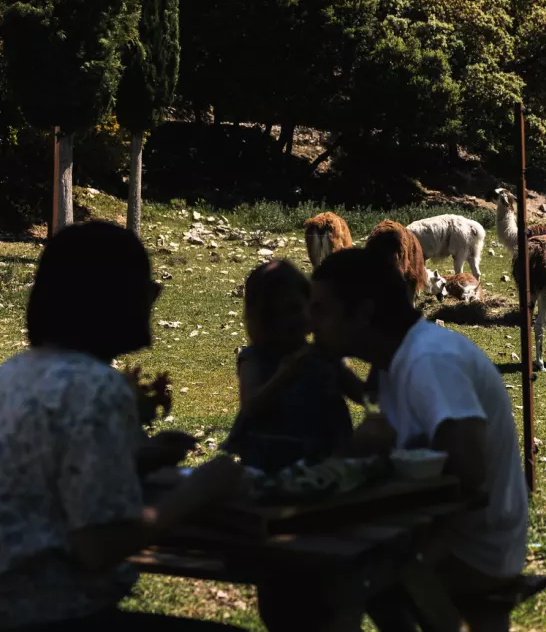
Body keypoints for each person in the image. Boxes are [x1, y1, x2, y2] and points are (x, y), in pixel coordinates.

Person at [0, 221, 246, 631]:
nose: (153, 298)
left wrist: (139, 458)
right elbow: (99, 546)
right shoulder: (97, 387)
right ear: (110, 300)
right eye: (145, 288)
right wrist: (199, 490)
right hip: (54, 613)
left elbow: (46, 475)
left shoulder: (16, 372)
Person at [309, 248, 529, 630]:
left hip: (475, 548)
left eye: (322, 310)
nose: (311, 323)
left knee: (333, 584)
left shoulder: (429, 359)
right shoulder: (395, 360)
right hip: (442, 535)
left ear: (362, 313)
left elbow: (470, 473)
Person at [224, 259, 363, 472]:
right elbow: (250, 406)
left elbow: (363, 395)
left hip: (327, 459)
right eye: (277, 314)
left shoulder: (323, 354)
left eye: (296, 308)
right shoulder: (255, 358)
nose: (291, 319)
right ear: (262, 319)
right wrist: (284, 375)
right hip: (271, 462)